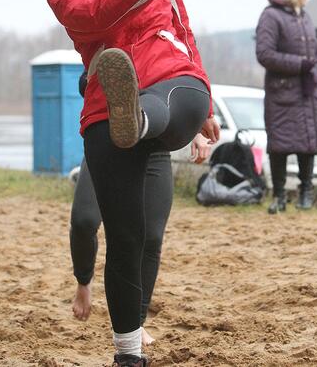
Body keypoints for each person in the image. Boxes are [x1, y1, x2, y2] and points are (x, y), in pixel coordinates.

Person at [47, 0, 220, 365]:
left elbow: (184, 30)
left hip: (172, 80)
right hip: (107, 107)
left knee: (152, 234)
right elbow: (98, 16)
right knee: (128, 238)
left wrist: (207, 108)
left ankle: (141, 119)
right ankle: (128, 353)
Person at [69, 73, 211, 347]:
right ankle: (83, 281)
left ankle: (136, 321)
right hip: (110, 146)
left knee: (152, 237)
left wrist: (196, 128)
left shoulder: (166, 39)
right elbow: (86, 82)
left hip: (156, 149)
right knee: (84, 221)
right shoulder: (111, 36)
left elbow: (185, 82)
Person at [255, 0, 317, 213]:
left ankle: (305, 193)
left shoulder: (305, 17)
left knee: (308, 144)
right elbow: (265, 54)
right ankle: (278, 196)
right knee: (280, 145)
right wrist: (300, 65)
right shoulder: (271, 17)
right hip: (283, 94)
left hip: (308, 92)